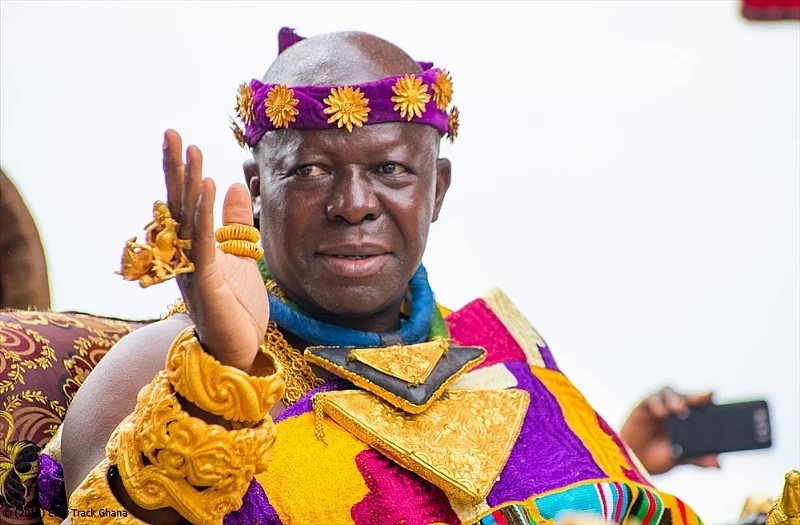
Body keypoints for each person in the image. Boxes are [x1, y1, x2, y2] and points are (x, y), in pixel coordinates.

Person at [54, 29, 713, 524]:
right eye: (310, 171)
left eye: (390, 169)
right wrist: (222, 375)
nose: (353, 204)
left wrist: (624, 458)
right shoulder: (162, 365)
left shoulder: (499, 345)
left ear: (437, 189)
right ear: (256, 190)